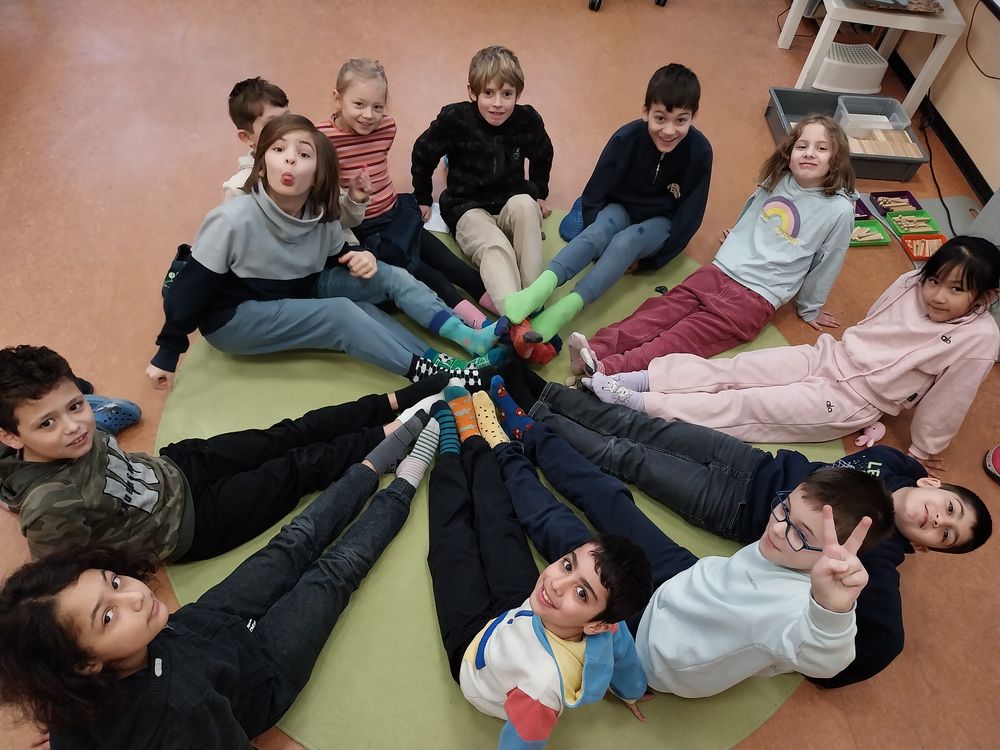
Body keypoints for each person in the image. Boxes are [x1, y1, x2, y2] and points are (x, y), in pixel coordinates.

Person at [509, 377, 993, 687]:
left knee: (573, 537)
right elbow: (788, 522)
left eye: (946, 535)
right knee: (615, 491)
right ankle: (530, 422)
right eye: (949, 509)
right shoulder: (885, 468)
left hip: (651, 638)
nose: (779, 531)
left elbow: (829, 654)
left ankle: (502, 452)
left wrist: (832, 609)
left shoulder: (819, 591)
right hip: (695, 577)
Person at [0, 422, 440, 749]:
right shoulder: (183, 711)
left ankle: (378, 458)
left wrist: (67, 730)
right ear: (84, 666)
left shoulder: (76, 688)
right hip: (262, 670)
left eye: (114, 581)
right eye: (108, 616)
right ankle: (408, 477)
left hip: (200, 628)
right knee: (334, 573)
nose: (134, 595)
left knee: (292, 541)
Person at [147, 113, 508, 390]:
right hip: (235, 315)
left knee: (389, 275)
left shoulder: (320, 213)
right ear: (261, 163)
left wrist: (361, 255)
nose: (289, 160)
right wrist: (168, 351)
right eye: (278, 150)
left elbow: (337, 252)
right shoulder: (231, 220)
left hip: (297, 287)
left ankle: (467, 339)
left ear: (319, 171)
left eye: (303, 153)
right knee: (341, 314)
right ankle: (436, 375)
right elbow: (190, 288)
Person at [583, 235, 1000, 474]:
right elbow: (875, 323)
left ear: (986, 297)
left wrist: (922, 450)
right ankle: (637, 379)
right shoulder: (911, 281)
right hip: (827, 355)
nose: (937, 295)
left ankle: (639, 404)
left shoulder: (979, 338)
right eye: (934, 281)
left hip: (852, 400)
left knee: (747, 405)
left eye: (957, 290)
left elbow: (951, 399)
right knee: (735, 369)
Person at [0, 343, 450, 561]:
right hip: (189, 527)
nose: (74, 426)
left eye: (76, 406)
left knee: (285, 434)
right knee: (295, 468)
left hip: (174, 467)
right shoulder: (50, 507)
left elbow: (71, 424)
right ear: (12, 436)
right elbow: (68, 575)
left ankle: (397, 399)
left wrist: (62, 421)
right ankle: (398, 430)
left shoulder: (73, 433)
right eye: (47, 423)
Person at [426, 388, 651, 749]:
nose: (558, 582)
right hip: (524, 611)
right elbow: (621, 648)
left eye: (582, 592)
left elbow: (523, 742)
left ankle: (450, 448)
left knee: (451, 545)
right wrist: (632, 690)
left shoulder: (541, 687)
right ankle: (474, 437)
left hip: (472, 651)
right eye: (567, 564)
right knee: (500, 525)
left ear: (595, 624)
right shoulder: (594, 617)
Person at [572, 114, 855, 376]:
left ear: (836, 159)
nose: (809, 153)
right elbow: (752, 210)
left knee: (679, 339)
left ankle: (607, 369)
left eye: (821, 148)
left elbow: (829, 260)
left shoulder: (838, 211)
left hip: (756, 297)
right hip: (719, 271)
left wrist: (809, 307)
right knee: (656, 313)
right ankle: (594, 349)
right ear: (789, 153)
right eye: (802, 146)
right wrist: (738, 236)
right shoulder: (779, 178)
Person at [503, 64, 712, 341]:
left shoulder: (700, 152)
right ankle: (538, 289)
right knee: (598, 231)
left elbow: (690, 215)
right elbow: (596, 189)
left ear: (693, 117)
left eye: (681, 121)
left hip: (660, 220)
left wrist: (652, 261)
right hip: (621, 206)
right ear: (646, 111)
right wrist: (595, 228)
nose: (669, 130)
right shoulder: (626, 138)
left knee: (626, 242)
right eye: (660, 118)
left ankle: (565, 310)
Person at [318, 59, 488, 325]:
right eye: (359, 104)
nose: (369, 115)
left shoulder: (386, 127)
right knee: (431, 278)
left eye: (377, 106)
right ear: (337, 99)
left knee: (454, 265)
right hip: (366, 231)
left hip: (397, 215)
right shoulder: (321, 139)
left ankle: (514, 316)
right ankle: (483, 326)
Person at [411, 45, 554, 316]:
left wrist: (540, 193)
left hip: (510, 200)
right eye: (488, 93)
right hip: (467, 206)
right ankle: (516, 318)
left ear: (518, 94)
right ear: (472, 92)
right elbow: (423, 151)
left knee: (526, 207)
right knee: (495, 246)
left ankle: (534, 302)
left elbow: (543, 153)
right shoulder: (455, 119)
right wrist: (422, 197)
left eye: (507, 94)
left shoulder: (527, 121)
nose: (497, 103)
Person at [221, 77, 290, 201]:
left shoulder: (310, 164)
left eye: (287, 118)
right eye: (271, 123)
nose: (285, 127)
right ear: (246, 137)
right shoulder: (239, 190)